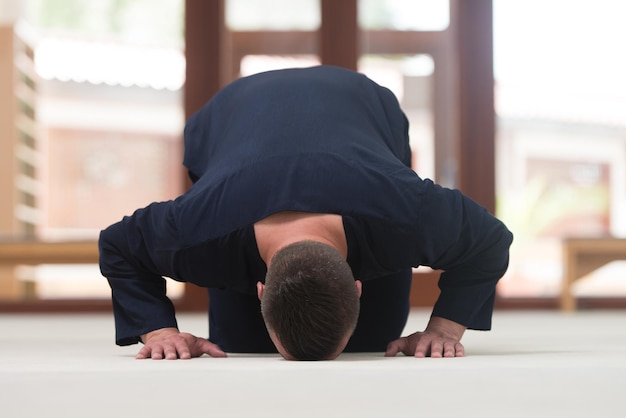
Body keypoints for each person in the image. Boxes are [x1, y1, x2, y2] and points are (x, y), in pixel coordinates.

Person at [98, 65, 513, 361]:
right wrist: (159, 331)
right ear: (259, 290)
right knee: (241, 347)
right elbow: (118, 245)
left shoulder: (405, 213)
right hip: (230, 115)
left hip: (364, 108)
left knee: (373, 345)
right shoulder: (198, 230)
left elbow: (490, 240)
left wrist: (444, 328)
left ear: (358, 286)